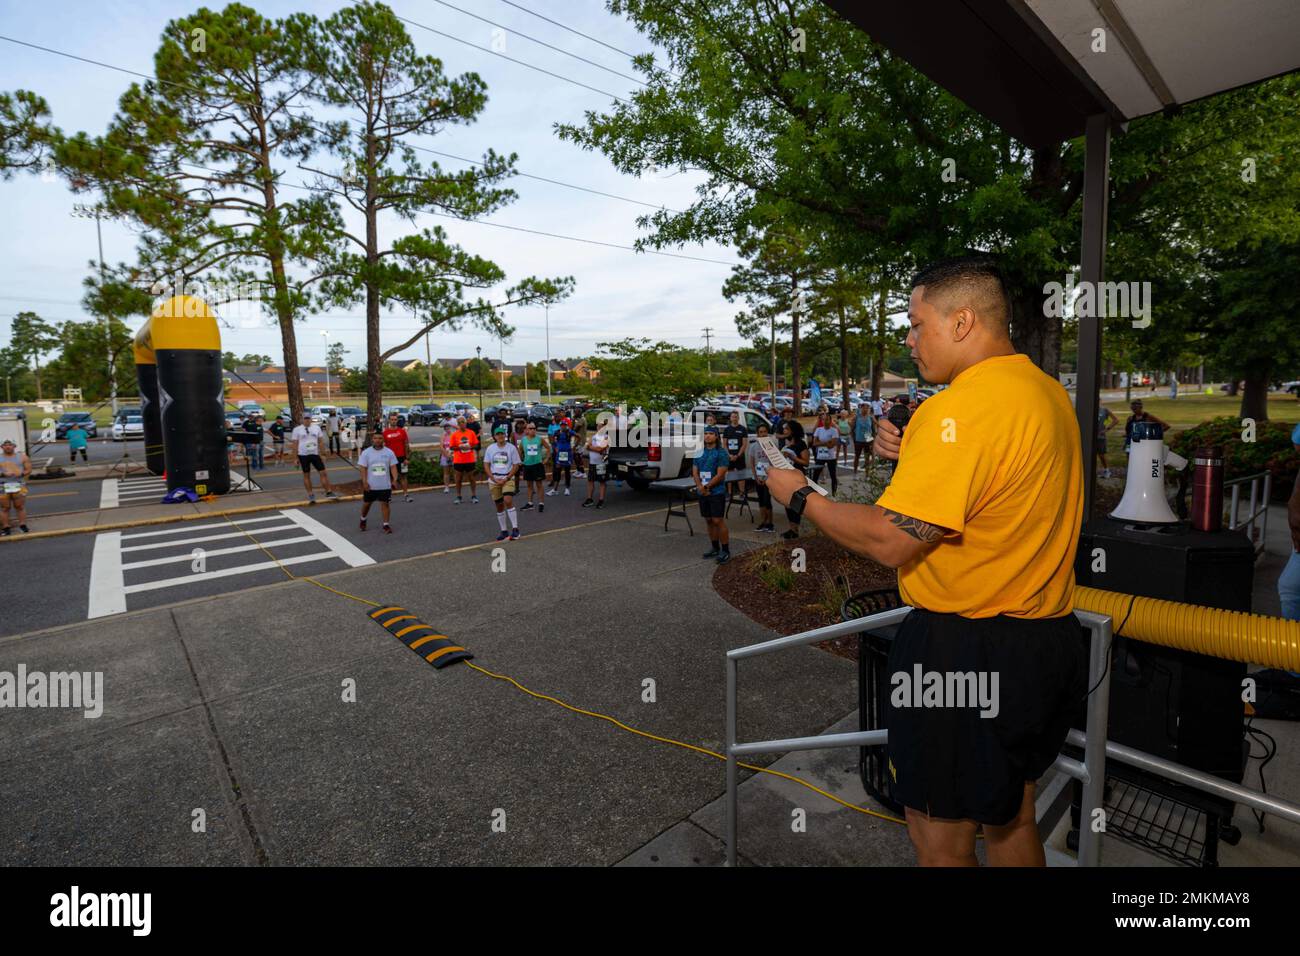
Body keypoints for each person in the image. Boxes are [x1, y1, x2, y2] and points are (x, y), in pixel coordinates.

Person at [764, 255, 1085, 867]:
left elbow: (892, 540)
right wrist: (910, 455)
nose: (909, 341)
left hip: (965, 648)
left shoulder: (960, 409)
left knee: (937, 836)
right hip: (1044, 645)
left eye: (916, 324)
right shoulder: (1042, 392)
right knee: (1012, 817)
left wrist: (801, 495)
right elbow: (995, 495)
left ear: (962, 321)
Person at [694, 425, 732, 563]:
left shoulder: (721, 453)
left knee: (717, 520)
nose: (708, 436)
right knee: (708, 520)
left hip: (716, 491)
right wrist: (699, 486)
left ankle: (725, 550)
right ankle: (715, 548)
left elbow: (721, 474)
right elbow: (695, 471)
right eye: (706, 433)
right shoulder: (699, 452)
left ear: (716, 436)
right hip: (702, 492)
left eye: (711, 433)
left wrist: (707, 486)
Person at [485, 425, 522, 540]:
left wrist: (507, 477)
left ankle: (515, 529)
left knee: (508, 500)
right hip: (494, 479)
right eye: (498, 434)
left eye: (502, 434)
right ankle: (504, 531)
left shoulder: (511, 448)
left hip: (507, 478)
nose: (500, 436)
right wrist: (493, 478)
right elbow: (486, 464)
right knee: (499, 505)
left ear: (505, 435)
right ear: (494, 436)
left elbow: (516, 465)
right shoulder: (490, 448)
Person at [357, 431, 398, 533]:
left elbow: (393, 467)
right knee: (367, 504)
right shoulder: (366, 452)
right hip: (371, 485)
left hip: (385, 485)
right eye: (375, 438)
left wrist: (395, 479)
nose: (377, 440)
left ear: (383, 440)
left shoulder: (389, 452)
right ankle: (363, 519)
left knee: (385, 504)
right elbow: (363, 468)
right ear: (372, 440)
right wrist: (364, 482)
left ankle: (386, 525)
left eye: (380, 438)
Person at [291, 412, 337, 502]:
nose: (307, 420)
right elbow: (295, 444)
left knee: (323, 473)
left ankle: (328, 492)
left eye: (308, 418)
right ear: (302, 419)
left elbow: (320, 441)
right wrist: (295, 458)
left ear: (311, 419)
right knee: (306, 475)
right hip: (303, 455)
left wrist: (323, 454)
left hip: (315, 454)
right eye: (305, 418)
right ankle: (310, 494)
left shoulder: (316, 428)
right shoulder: (297, 430)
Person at [778, 420, 810, 539]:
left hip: (797, 478)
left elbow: (806, 462)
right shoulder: (787, 444)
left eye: (786, 429)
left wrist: (792, 457)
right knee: (787, 504)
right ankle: (791, 528)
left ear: (793, 430)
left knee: (795, 505)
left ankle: (795, 530)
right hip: (786, 477)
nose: (784, 431)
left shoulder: (801, 444)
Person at [746, 422, 776, 532]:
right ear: (757, 434)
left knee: (767, 500)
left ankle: (770, 523)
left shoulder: (772, 446)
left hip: (769, 478)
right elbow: (752, 464)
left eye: (764, 432)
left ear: (767, 433)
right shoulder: (754, 446)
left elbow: (774, 463)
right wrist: (756, 477)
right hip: (758, 478)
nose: (763, 434)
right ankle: (763, 522)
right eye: (760, 432)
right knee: (761, 501)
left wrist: (769, 477)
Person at [0, 438, 31, 534]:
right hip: (2, 485)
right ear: (1, 447)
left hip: (19, 484)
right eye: (5, 445)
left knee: (19, 506)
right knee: (5, 508)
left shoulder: (22, 457)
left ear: (14, 446)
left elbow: (28, 469)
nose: (8, 446)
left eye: (10, 445)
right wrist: (3, 475)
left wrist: (21, 474)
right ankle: (6, 527)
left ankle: (23, 525)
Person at [517, 421, 550, 512]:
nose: (533, 430)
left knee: (539, 485)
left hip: (537, 465)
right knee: (529, 485)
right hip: (527, 465)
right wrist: (520, 460)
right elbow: (519, 450)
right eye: (530, 428)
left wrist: (546, 459)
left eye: (534, 428)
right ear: (526, 430)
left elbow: (548, 448)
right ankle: (530, 503)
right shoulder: (524, 440)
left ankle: (541, 503)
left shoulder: (539, 439)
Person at [447, 415, 480, 504]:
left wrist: (469, 447)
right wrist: (460, 447)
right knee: (458, 479)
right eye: (460, 422)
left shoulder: (471, 433)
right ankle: (458, 496)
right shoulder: (454, 434)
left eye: (463, 422)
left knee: (471, 478)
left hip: (469, 459)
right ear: (457, 424)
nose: (462, 424)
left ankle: (474, 495)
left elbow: (476, 444)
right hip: (458, 460)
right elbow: (451, 447)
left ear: (466, 423)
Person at [382, 412, 413, 503]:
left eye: (395, 419)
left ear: (397, 420)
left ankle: (406, 495)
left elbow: (406, 445)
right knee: (389, 478)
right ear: (389, 420)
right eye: (392, 419)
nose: (393, 421)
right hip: (389, 459)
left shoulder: (402, 431)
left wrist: (407, 458)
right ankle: (388, 496)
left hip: (401, 458)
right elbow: (383, 447)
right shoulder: (385, 432)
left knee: (403, 476)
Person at [810, 412, 840, 496]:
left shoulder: (834, 430)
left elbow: (832, 445)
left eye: (827, 419)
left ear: (830, 420)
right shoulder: (818, 430)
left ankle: (834, 493)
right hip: (820, 456)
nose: (825, 421)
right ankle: (814, 493)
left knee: (833, 476)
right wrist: (827, 442)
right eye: (823, 419)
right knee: (815, 476)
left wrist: (821, 442)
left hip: (831, 457)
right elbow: (814, 443)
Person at [583, 421, 611, 508]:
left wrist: (591, 447)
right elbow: (587, 446)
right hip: (592, 463)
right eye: (598, 426)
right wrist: (592, 448)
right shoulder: (594, 436)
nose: (599, 428)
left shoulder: (607, 437)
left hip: (601, 463)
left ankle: (601, 500)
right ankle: (589, 499)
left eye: (601, 426)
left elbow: (600, 450)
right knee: (590, 481)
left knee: (602, 482)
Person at [722, 411, 749, 495]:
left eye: (736, 417)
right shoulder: (727, 429)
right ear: (730, 418)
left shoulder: (743, 429)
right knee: (729, 474)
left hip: (739, 456)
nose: (734, 418)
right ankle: (730, 492)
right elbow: (724, 444)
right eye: (733, 417)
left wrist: (737, 455)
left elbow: (744, 444)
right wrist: (729, 455)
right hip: (729, 456)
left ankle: (742, 492)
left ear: (738, 418)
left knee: (741, 474)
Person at [547, 419, 574, 496]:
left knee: (567, 471)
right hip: (560, 454)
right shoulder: (557, 432)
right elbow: (552, 438)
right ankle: (555, 489)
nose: (563, 426)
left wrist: (574, 447)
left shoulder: (569, 432)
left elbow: (578, 436)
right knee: (557, 471)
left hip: (567, 453)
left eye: (564, 425)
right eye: (561, 425)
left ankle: (567, 488)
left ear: (567, 425)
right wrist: (555, 446)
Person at [1096, 405, 1119, 478]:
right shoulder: (1088, 409)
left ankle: (1107, 471)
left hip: (1100, 436)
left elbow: (1116, 420)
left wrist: (1106, 429)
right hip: (1089, 437)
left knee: (1101, 455)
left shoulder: (1104, 410)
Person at [852, 402, 874, 472]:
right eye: (864, 408)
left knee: (867, 457)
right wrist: (854, 439)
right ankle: (855, 472)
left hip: (868, 438)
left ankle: (867, 473)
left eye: (867, 408)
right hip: (859, 439)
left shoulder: (870, 417)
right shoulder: (857, 417)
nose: (865, 410)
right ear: (861, 408)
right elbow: (852, 428)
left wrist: (872, 441)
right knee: (857, 456)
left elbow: (873, 429)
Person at [439, 420, 457, 494]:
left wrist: (452, 454)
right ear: (444, 429)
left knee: (455, 472)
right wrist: (446, 454)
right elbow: (441, 446)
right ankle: (446, 487)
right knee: (446, 472)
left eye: (449, 428)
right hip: (445, 455)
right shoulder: (443, 436)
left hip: (453, 455)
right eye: (446, 429)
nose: (448, 430)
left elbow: (456, 446)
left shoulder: (454, 435)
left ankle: (457, 485)